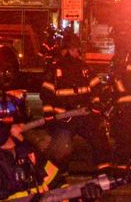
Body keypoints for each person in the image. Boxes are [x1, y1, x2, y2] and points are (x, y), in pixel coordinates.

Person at [40, 34, 113, 174]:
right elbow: (46, 94)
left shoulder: (84, 69)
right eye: (75, 49)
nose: (77, 53)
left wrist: (96, 104)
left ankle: (104, 169)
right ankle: (56, 175)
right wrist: (49, 114)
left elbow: (96, 87)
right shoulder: (55, 70)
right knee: (62, 148)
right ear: (68, 50)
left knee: (99, 138)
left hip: (84, 116)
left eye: (77, 49)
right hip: (63, 118)